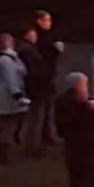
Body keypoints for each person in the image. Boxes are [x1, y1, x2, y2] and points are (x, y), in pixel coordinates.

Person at [0, 33, 30, 166]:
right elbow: (11, 80)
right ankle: (3, 157)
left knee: (1, 126)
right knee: (8, 127)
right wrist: (18, 96)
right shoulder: (7, 61)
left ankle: (0, 154)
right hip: (7, 98)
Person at [18, 27, 56, 157]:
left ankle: (34, 146)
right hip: (36, 89)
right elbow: (34, 71)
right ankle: (32, 148)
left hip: (38, 88)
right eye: (32, 34)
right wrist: (43, 79)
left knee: (36, 119)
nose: (35, 37)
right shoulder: (27, 51)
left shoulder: (30, 50)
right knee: (35, 119)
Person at [32, 10, 64, 150]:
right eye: (46, 20)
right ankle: (38, 140)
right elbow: (43, 56)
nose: (49, 23)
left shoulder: (49, 36)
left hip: (49, 77)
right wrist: (56, 51)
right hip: (41, 79)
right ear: (39, 21)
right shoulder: (39, 38)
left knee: (48, 109)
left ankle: (46, 135)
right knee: (40, 110)